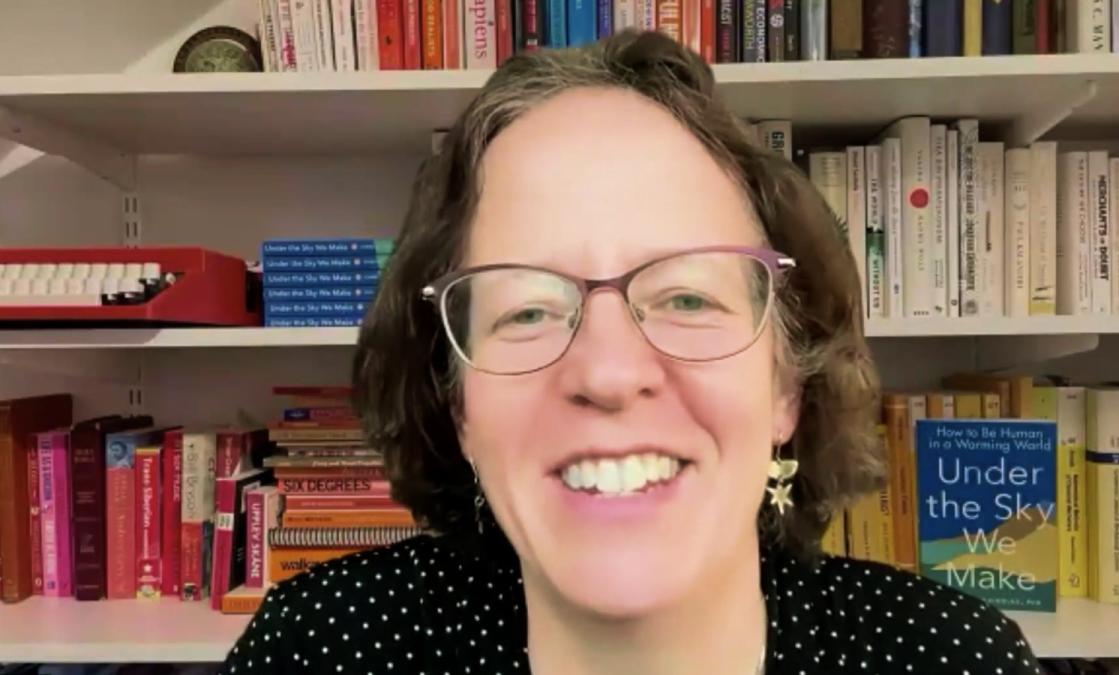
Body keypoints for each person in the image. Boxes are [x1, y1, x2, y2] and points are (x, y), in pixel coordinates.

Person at [219, 30, 1043, 675]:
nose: (609, 373)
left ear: (789, 381)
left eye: (688, 297)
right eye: (528, 309)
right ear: (457, 402)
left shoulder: (954, 659)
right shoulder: (320, 649)